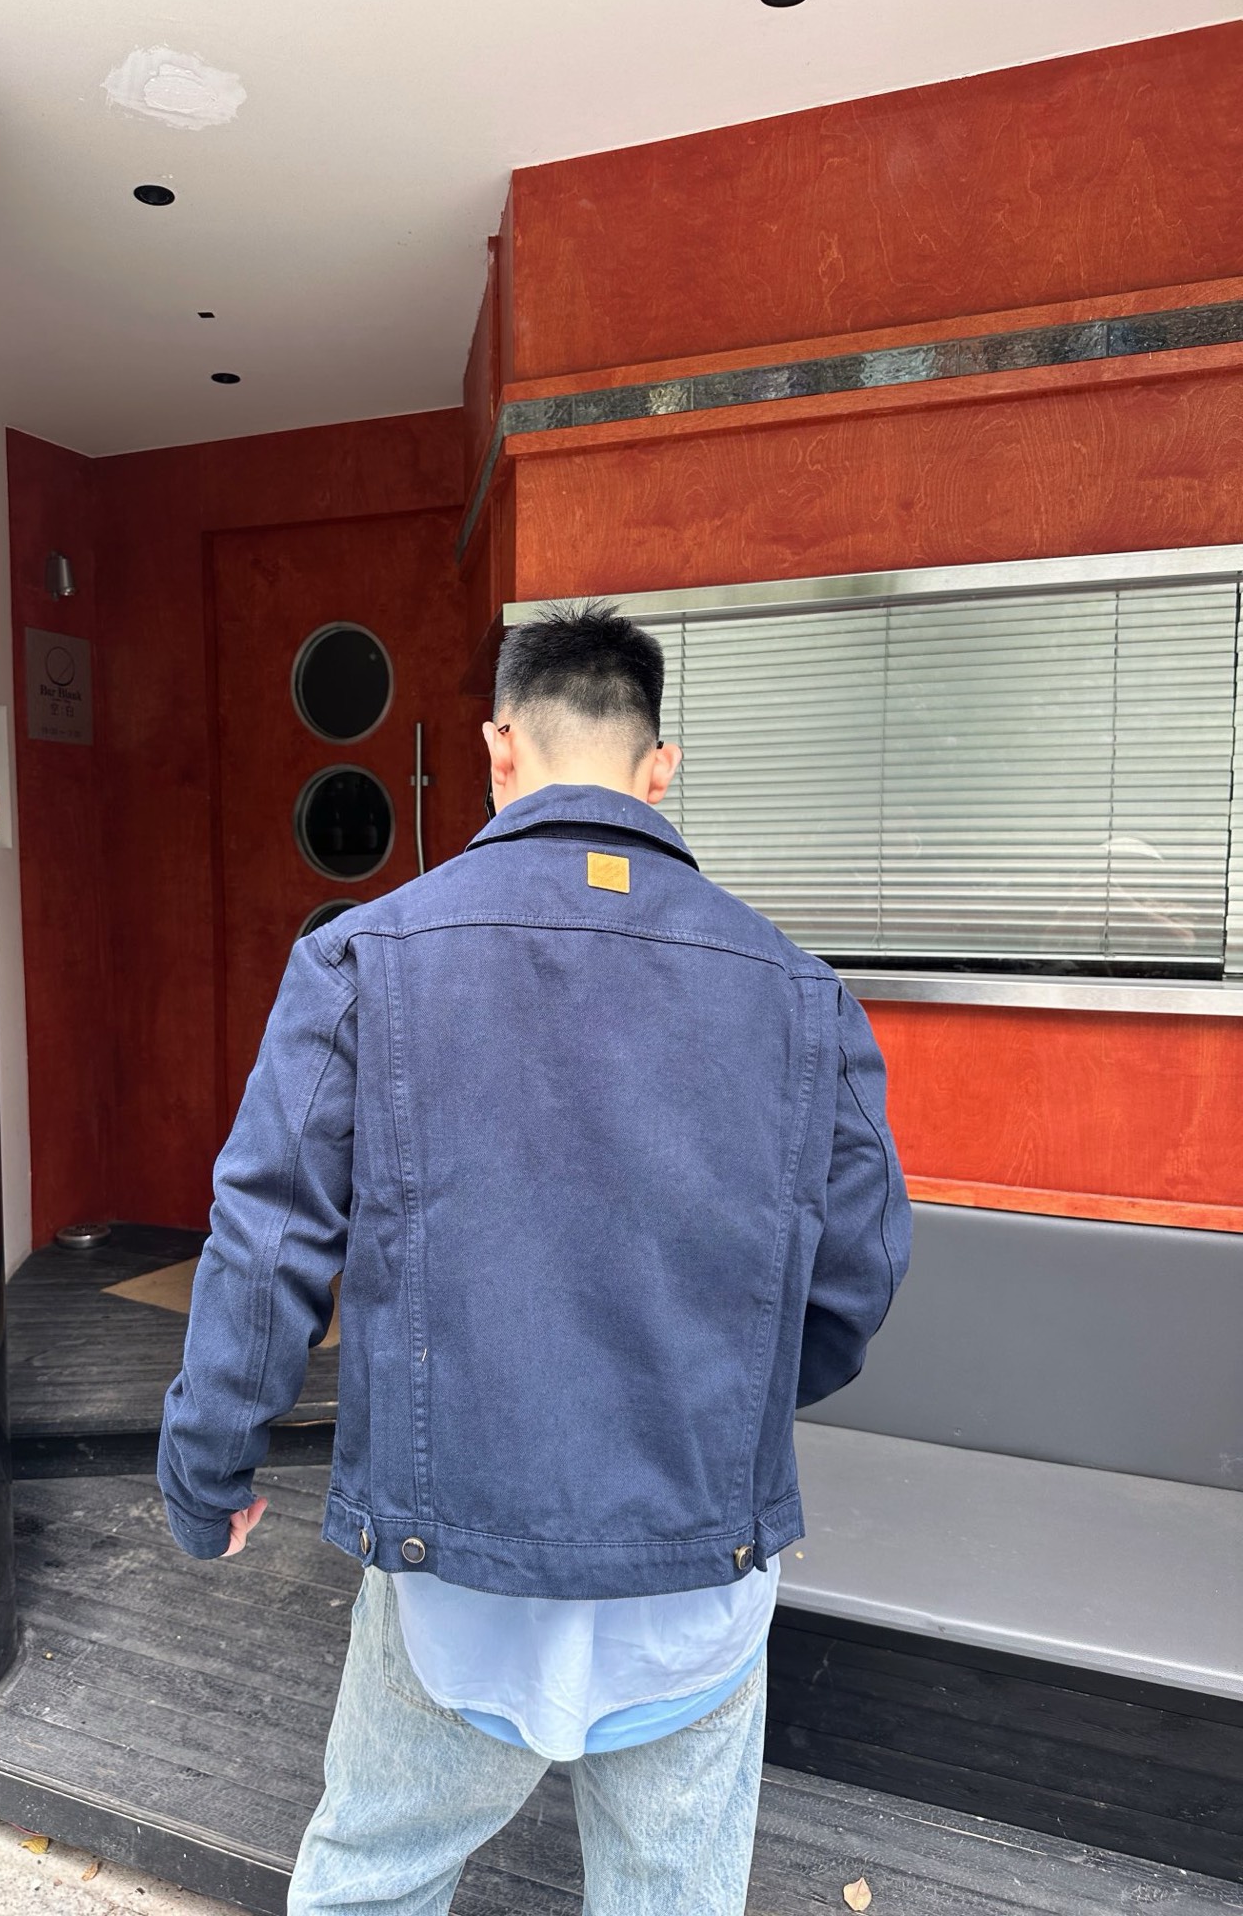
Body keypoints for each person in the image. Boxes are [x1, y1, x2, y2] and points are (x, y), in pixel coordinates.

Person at [158, 602, 911, 1915]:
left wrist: (205, 1467)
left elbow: (265, 1245)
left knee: (374, 1878)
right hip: (698, 1575)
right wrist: (714, 1408)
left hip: (452, 1580)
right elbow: (857, 1274)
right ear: (660, 769)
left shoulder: (363, 957)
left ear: (499, 748)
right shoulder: (803, 993)